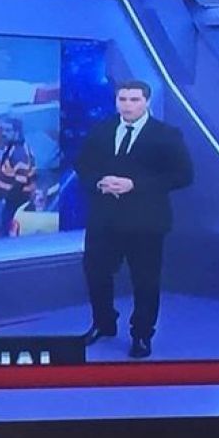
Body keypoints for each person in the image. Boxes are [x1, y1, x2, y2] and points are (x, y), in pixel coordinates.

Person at [75, 80, 193, 358]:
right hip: (104, 219)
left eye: (134, 100)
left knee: (145, 280)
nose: (127, 105)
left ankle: (141, 334)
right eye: (123, 99)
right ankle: (103, 323)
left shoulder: (166, 135)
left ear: (147, 102)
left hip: (146, 221)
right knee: (96, 273)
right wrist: (99, 182)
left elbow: (183, 176)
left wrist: (134, 185)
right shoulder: (101, 130)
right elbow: (82, 165)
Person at [0, 117, 37, 236]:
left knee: (8, 233)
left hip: (16, 203)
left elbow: (21, 181)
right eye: (3, 130)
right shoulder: (11, 148)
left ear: (17, 132)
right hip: (12, 201)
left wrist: (8, 198)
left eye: (8, 130)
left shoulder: (19, 153)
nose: (4, 133)